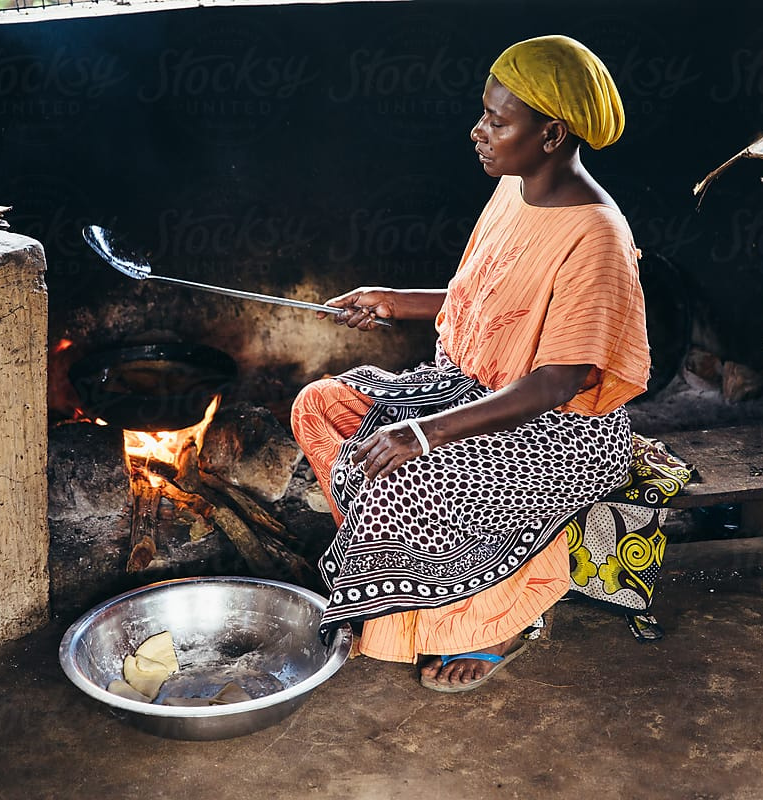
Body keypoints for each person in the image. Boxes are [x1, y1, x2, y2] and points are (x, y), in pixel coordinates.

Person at [290, 35, 650, 692]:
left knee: (406, 476)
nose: (478, 131)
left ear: (552, 133)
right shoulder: (516, 191)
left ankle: (500, 620)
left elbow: (560, 379)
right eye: (484, 113)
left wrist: (422, 433)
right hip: (471, 392)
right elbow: (482, 298)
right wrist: (390, 302)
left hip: (560, 434)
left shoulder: (598, 236)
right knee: (321, 405)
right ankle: (405, 577)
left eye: (497, 120)